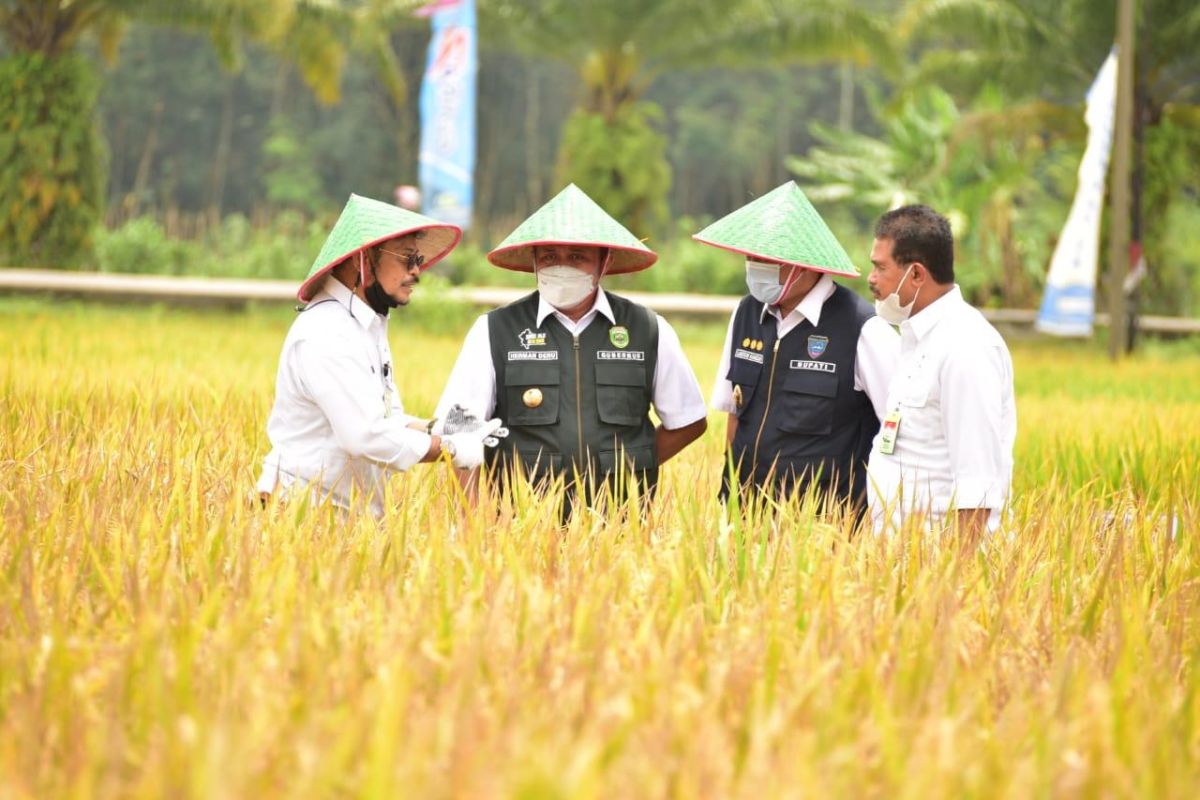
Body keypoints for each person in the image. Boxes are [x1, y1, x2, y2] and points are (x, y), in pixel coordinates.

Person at [436, 183, 708, 509]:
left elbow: (688, 421)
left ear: (604, 262)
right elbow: (460, 429)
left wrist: (632, 468)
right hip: (520, 526)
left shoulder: (647, 329)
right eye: (550, 256)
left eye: (577, 256)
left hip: (621, 529)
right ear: (534, 261)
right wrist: (474, 521)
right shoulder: (494, 330)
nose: (561, 265)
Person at [256, 193, 505, 517]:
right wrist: (450, 448)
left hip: (348, 518)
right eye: (407, 258)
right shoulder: (327, 333)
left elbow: (388, 419)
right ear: (361, 259)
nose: (417, 271)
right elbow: (364, 435)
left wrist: (441, 428)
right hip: (306, 517)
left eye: (418, 259)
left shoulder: (366, 326)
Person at [695, 181, 897, 511]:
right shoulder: (746, 313)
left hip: (825, 530)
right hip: (744, 517)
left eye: (764, 257)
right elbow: (735, 417)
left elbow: (897, 432)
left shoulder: (863, 328)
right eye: (750, 255)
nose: (754, 265)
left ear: (804, 262)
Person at [864, 204, 1016, 543]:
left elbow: (978, 483)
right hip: (899, 560)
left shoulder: (966, 346)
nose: (871, 279)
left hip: (938, 564)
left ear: (916, 274)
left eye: (880, 267)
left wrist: (955, 584)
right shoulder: (915, 338)